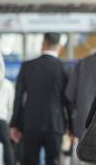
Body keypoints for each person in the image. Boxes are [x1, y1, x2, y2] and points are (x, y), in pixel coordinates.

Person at [10, 32, 71, 165]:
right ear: (59, 47)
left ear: (43, 44)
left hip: (30, 124)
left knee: (29, 161)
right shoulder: (64, 68)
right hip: (55, 124)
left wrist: (15, 125)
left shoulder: (27, 66)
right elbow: (68, 101)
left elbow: (18, 98)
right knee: (53, 161)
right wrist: (71, 128)